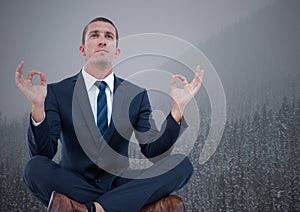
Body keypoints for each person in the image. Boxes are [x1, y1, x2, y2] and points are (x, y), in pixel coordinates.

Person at [15, 17, 204, 212]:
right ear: (83, 49)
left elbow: (153, 151)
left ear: (117, 51)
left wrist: (177, 109)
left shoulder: (136, 95)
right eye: (95, 35)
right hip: (74, 183)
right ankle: (132, 206)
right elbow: (43, 153)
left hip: (121, 182)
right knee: (34, 168)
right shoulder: (56, 92)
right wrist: (38, 107)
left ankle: (90, 209)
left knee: (181, 165)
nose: (102, 40)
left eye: (109, 36)